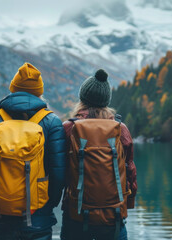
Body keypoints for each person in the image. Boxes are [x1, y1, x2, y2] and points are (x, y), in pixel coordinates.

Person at [0, 62, 66, 240]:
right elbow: (59, 172)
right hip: (38, 217)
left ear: (13, 89)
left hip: (1, 215)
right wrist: (47, 205)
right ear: (39, 91)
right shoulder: (51, 122)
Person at [60, 69, 137, 240]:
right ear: (105, 102)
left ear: (82, 99)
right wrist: (127, 205)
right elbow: (129, 169)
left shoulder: (68, 128)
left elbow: (60, 169)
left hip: (76, 213)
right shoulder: (120, 129)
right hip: (113, 213)